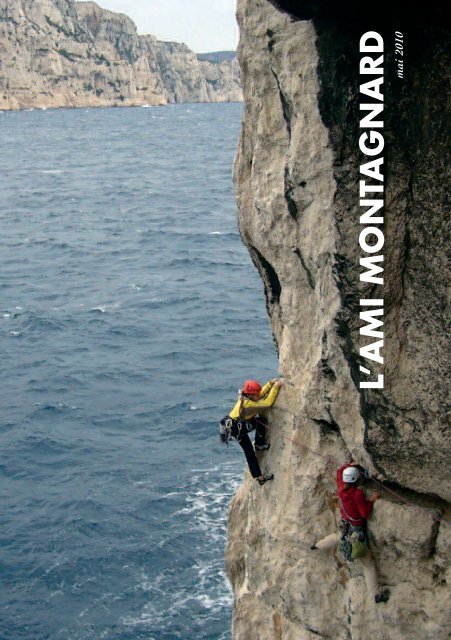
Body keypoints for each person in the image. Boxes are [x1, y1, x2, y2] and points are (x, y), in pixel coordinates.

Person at [311, 462, 390, 604]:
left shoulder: (341, 489)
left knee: (338, 537)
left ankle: (317, 546)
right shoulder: (358, 494)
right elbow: (364, 513)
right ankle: (375, 593)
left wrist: (350, 464)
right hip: (356, 529)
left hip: (345, 524)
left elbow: (339, 471)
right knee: (368, 563)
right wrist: (371, 500)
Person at [220, 378, 284, 485]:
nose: (258, 394)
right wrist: (276, 387)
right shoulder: (247, 403)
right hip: (237, 428)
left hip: (233, 426)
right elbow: (267, 403)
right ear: (250, 395)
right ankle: (259, 447)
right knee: (259, 422)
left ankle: (259, 476)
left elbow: (260, 395)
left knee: (249, 452)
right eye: (256, 393)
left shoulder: (247, 397)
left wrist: (270, 384)